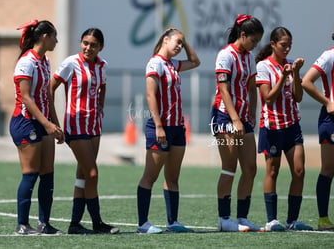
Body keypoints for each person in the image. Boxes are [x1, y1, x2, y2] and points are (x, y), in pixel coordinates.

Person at [50, 28, 119, 235]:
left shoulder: (102, 65)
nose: (88, 48)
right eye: (85, 43)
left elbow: (102, 86)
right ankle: (97, 222)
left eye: (94, 45)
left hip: (94, 125)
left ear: (101, 47)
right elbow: (50, 88)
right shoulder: (71, 63)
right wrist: (53, 121)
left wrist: (100, 106)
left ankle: (74, 224)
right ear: (81, 43)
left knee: (83, 175)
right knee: (92, 173)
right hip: (75, 125)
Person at [136, 28, 200, 234]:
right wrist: (158, 125)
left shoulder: (173, 64)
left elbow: (196, 62)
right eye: (177, 42)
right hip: (161, 127)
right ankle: (143, 224)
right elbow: (150, 95)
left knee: (172, 177)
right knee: (151, 176)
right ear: (165, 40)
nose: (180, 47)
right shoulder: (155, 63)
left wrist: (184, 39)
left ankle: (173, 221)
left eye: (182, 43)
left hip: (178, 128)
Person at [10, 19, 65, 235]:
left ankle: (44, 223)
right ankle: (22, 225)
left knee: (47, 174)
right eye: (54, 36)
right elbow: (26, 98)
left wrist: (56, 125)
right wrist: (46, 123)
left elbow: (46, 97)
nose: (56, 41)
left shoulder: (44, 61)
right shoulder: (27, 62)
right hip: (25, 122)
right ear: (45, 37)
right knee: (30, 174)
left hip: (42, 122)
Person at [255, 27, 313, 231]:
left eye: (290, 45)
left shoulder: (290, 65)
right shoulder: (263, 66)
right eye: (283, 45)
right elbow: (268, 97)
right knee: (272, 171)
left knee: (299, 171)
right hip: (272, 126)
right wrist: (282, 76)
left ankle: (293, 220)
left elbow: (298, 97)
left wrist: (295, 73)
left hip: (292, 126)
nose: (287, 48)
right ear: (273, 44)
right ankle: (272, 220)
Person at [210, 14, 264, 232]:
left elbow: (252, 87)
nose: (255, 45)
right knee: (230, 167)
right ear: (243, 35)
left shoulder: (249, 57)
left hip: (243, 118)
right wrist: (234, 119)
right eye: (253, 40)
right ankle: (224, 219)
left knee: (250, 168)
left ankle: (242, 217)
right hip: (224, 117)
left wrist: (251, 112)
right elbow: (224, 89)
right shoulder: (225, 55)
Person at [302, 18, 334, 230]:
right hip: (333, 120)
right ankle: (322, 219)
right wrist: (328, 102)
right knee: (328, 169)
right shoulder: (330, 56)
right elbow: (306, 82)